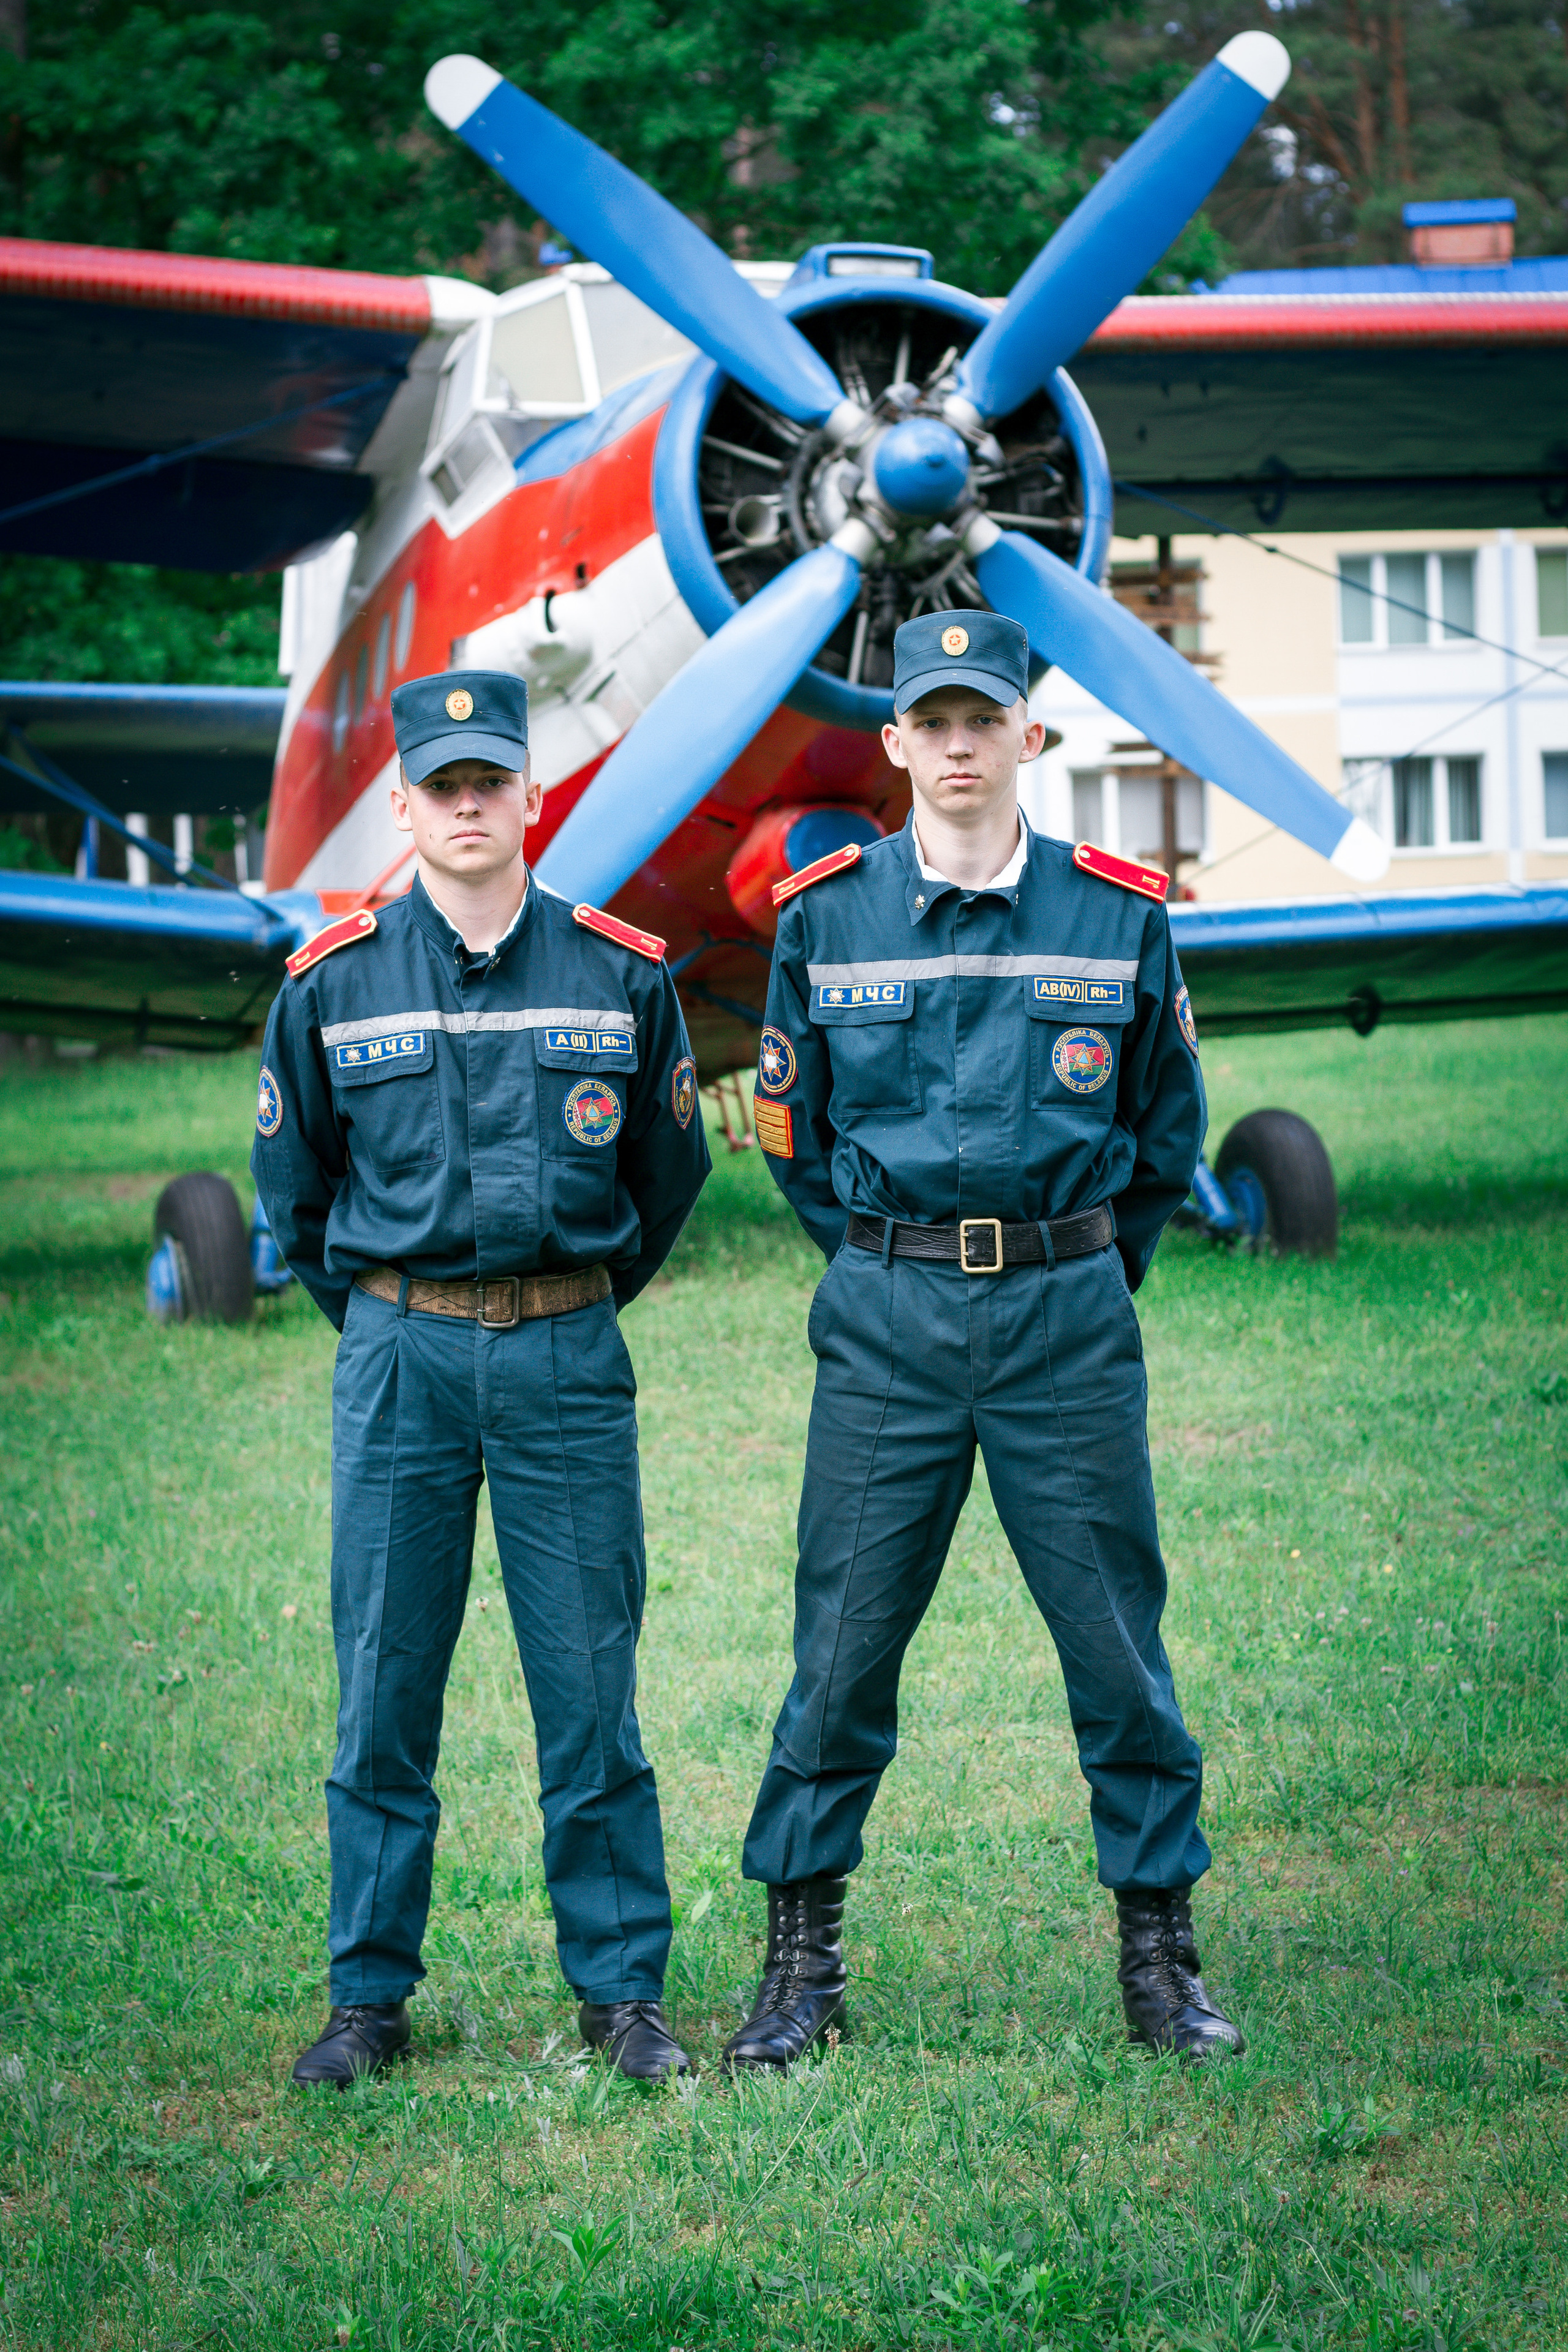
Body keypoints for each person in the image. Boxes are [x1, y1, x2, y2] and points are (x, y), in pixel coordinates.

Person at [725, 611, 1242, 2072]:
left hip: (1063, 1323)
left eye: (983, 718)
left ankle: (1158, 1959)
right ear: (891, 744)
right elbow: (790, 1135)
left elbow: (1161, 1135)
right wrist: (888, 1261)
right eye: (930, 722)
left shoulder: (1116, 914)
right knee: (838, 1646)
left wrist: (1071, 1271)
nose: (958, 745)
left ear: (1028, 734)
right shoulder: (824, 918)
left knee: (1115, 1649)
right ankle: (798, 1968)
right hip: (886, 1322)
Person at [252, 670, 710, 2088]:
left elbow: (668, 1171)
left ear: (531, 795)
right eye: (439, 785)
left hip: (569, 1348)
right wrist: (402, 1311)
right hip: (400, 1354)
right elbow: (296, 1190)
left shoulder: (621, 973)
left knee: (588, 1680)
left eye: (489, 782)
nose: (465, 805)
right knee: (383, 1682)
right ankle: (366, 1999)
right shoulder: (333, 982)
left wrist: (564, 1299)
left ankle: (622, 1993)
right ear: (402, 803)